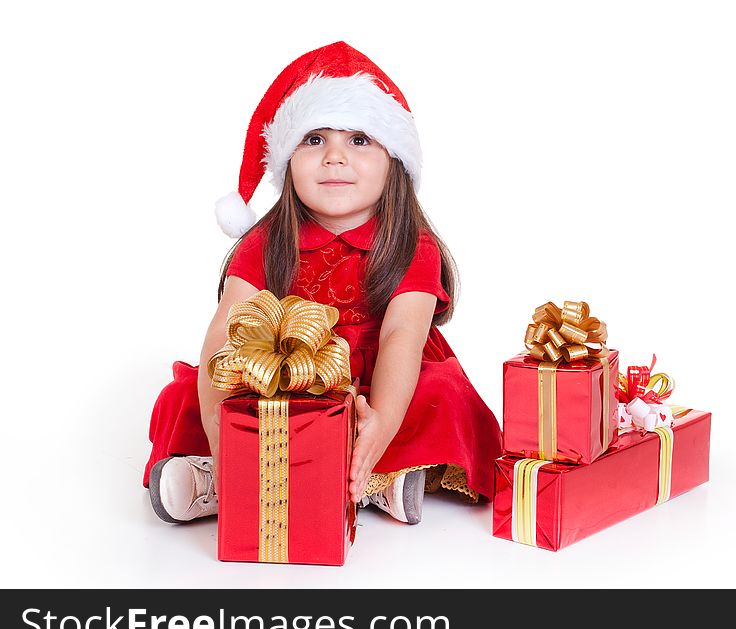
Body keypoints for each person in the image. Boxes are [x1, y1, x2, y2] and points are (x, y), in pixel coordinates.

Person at [143, 41, 502, 526]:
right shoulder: (268, 242)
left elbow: (403, 334)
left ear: (394, 160)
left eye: (359, 140)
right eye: (314, 140)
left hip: (374, 387)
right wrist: (217, 424)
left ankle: (373, 471)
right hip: (283, 382)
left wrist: (382, 422)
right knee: (186, 395)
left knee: (443, 392)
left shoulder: (411, 245)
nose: (334, 158)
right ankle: (221, 470)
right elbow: (225, 330)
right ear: (287, 160)